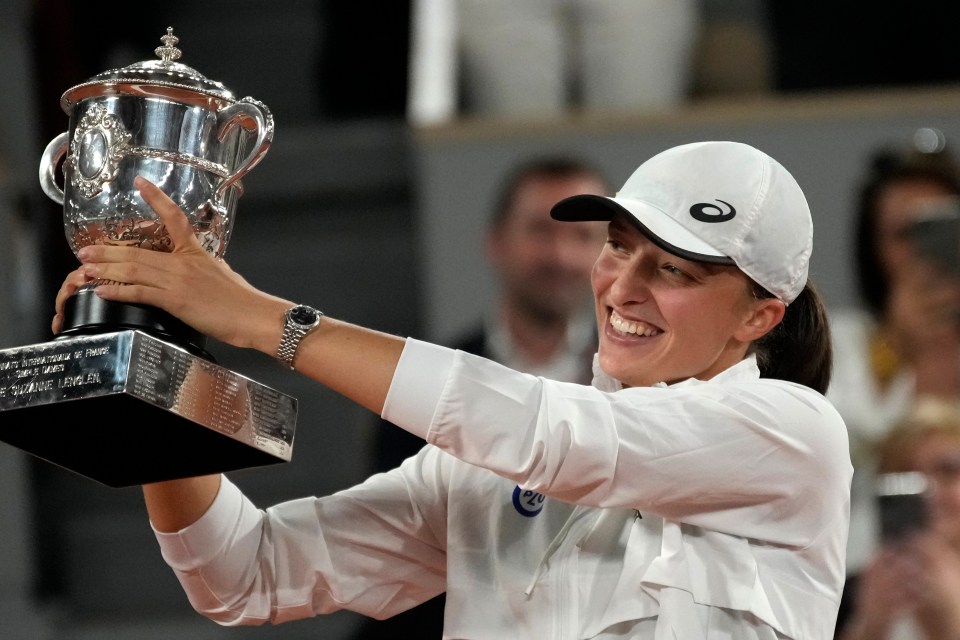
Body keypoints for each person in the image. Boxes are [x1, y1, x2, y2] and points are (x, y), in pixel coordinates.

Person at [54, 140, 851, 639]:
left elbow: (561, 440)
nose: (620, 286)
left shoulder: (793, 433)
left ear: (760, 316)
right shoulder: (486, 462)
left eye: (673, 269)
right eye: (618, 246)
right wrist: (156, 368)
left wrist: (264, 321)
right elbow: (244, 571)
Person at [355, 156, 607, 638]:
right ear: (496, 242)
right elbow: (391, 548)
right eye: (540, 230)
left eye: (583, 237)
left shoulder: (639, 388)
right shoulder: (421, 383)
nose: (561, 256)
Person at [828, 132, 960, 573]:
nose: (923, 251)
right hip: (868, 569)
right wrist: (904, 349)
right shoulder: (840, 342)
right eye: (904, 234)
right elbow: (833, 474)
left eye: (941, 227)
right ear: (875, 249)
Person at [835, 402, 960, 639]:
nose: (928, 490)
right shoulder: (852, 591)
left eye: (948, 470)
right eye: (907, 476)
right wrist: (871, 627)